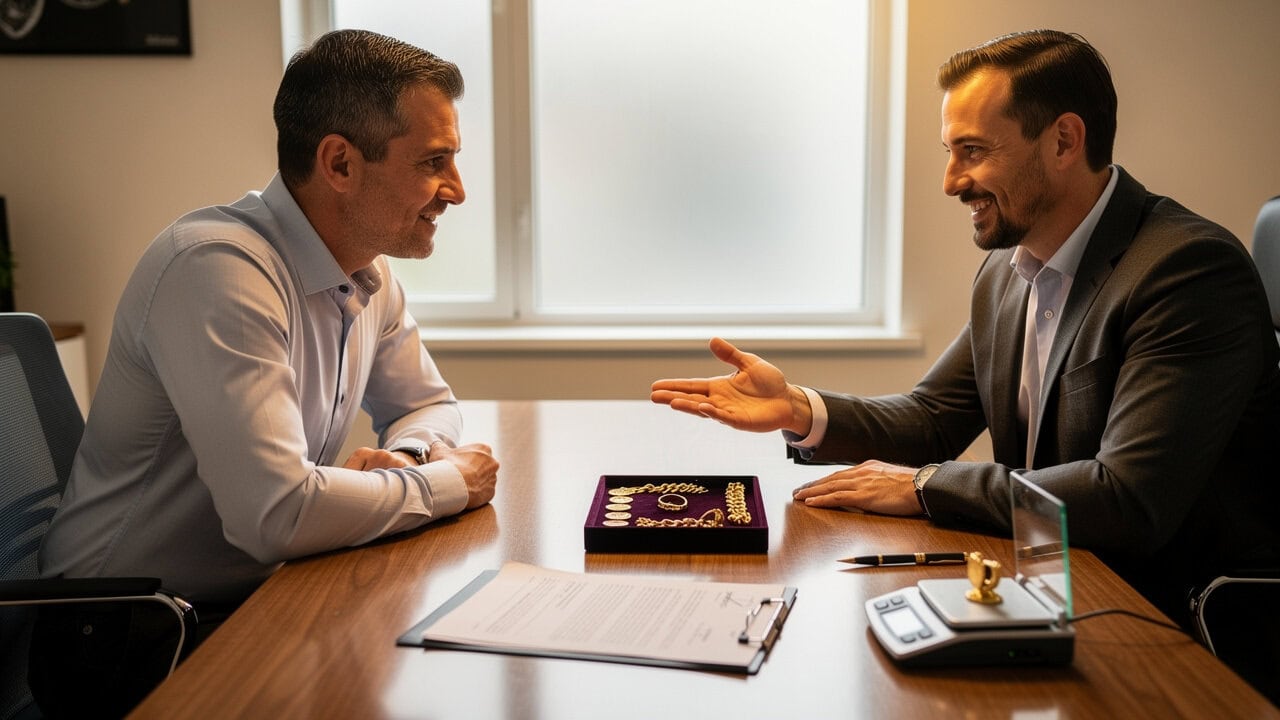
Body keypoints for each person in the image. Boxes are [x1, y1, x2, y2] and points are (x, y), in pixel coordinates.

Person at [652, 30, 1280, 630]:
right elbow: (933, 418)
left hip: (1169, 619)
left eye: (973, 151)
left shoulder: (1187, 272)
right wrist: (798, 409)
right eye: (950, 152)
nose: (952, 181)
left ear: (1064, 142)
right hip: (1051, 580)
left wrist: (925, 485)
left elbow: (1125, 497)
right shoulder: (1007, 271)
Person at [39, 30, 499, 617]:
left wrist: (407, 458)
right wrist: (449, 483)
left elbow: (427, 405)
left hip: (247, 600)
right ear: (340, 163)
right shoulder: (216, 270)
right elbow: (276, 515)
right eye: (435, 161)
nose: (457, 191)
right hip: (122, 631)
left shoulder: (364, 270)